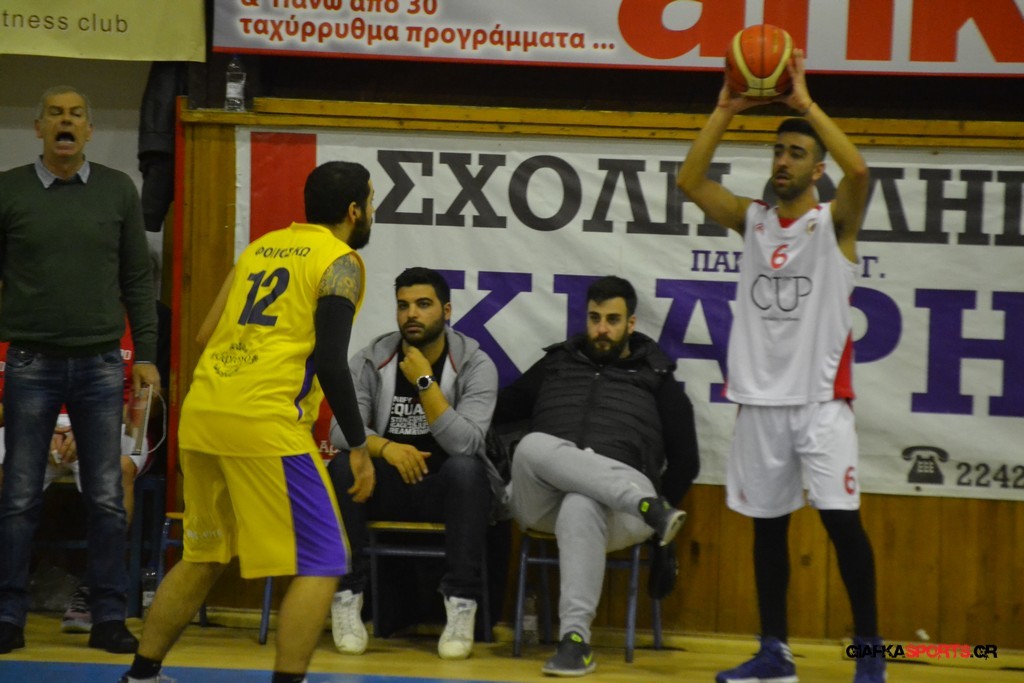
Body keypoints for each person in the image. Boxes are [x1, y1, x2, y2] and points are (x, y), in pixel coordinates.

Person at [121, 161, 376, 683]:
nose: (372, 211)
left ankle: (141, 675)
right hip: (265, 420)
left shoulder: (262, 248)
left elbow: (204, 335)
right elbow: (331, 363)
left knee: (204, 554)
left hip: (205, 411)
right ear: (354, 210)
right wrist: (358, 444)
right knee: (325, 560)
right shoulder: (340, 261)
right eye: (371, 202)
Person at [676, 50, 885, 683]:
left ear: (817, 169)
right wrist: (725, 108)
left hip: (821, 404)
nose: (783, 162)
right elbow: (690, 181)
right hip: (760, 403)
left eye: (796, 153)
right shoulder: (753, 221)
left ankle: (871, 653)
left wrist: (805, 105)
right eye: (778, 152)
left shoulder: (834, 225)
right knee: (767, 532)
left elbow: (860, 171)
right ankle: (775, 654)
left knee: (842, 527)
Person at [0, 85, 160, 656]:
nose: (65, 122)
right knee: (19, 498)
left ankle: (108, 617)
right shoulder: (8, 190)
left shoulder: (118, 190)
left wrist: (146, 354)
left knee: (107, 500)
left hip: (100, 366)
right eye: (55, 114)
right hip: (28, 363)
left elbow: (137, 279)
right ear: (38, 127)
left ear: (89, 130)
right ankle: (7, 616)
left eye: (75, 115)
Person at [493, 275, 700, 677]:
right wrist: (435, 384)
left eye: (612, 320)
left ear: (631, 324)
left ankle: (575, 642)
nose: (602, 329)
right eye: (594, 318)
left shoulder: (657, 377)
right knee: (532, 445)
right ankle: (648, 506)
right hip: (545, 502)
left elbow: (687, 461)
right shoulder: (556, 364)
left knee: (581, 502)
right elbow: (497, 409)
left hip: (618, 515)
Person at [327, 266, 501, 661]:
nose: (412, 314)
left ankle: (460, 605)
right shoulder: (371, 359)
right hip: (386, 486)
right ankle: (347, 597)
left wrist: (425, 383)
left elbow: (466, 443)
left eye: (423, 305)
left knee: (466, 469)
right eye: (403, 306)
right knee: (343, 465)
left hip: (446, 489)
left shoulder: (476, 364)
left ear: (446, 311)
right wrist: (387, 448)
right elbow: (340, 429)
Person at [0, 329, 157, 635]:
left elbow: (151, 404)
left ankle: (94, 590)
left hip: (109, 420)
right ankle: (7, 597)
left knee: (120, 470)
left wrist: (89, 427)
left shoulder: (128, 326)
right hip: (28, 419)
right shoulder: (22, 321)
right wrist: (37, 425)